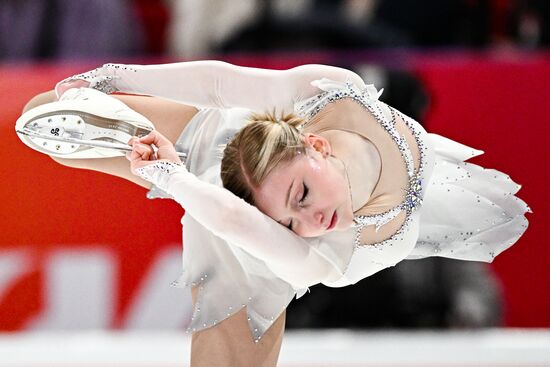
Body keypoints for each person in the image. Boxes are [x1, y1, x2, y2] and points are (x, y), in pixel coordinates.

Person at [16, 61, 531, 366]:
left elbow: (243, 224)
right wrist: (114, 75)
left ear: (317, 148)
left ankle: (168, 158)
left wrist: (172, 179)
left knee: (236, 319)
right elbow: (220, 83)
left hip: (257, 237)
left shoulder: (340, 242)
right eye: (298, 200)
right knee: (44, 113)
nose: (311, 219)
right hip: (240, 151)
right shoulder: (329, 93)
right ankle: (156, 142)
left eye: (302, 200)